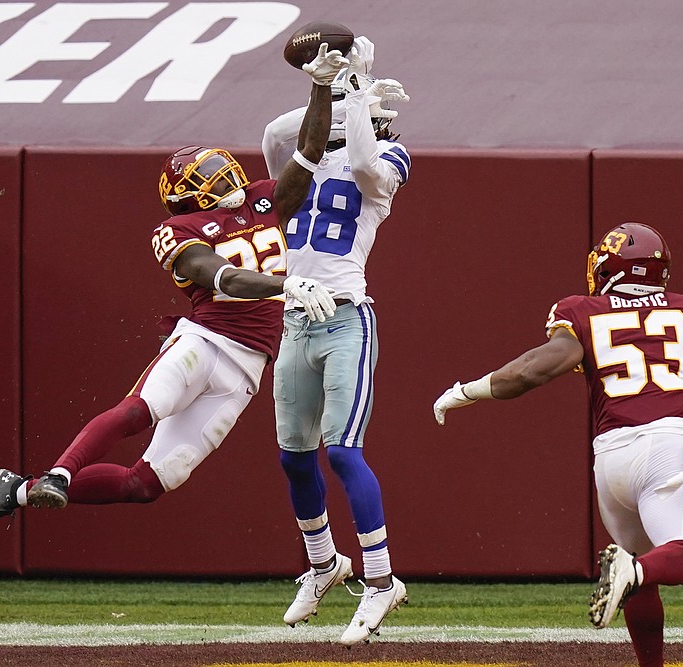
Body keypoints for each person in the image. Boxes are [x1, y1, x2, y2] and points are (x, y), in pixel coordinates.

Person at [0, 43, 351, 544]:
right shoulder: (179, 230)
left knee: (145, 484)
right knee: (140, 410)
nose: (224, 175)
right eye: (207, 176)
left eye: (220, 166)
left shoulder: (263, 200)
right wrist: (288, 284)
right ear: (187, 194)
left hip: (248, 367)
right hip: (205, 343)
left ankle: (18, 491)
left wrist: (320, 87)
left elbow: (310, 152)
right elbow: (225, 280)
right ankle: (60, 472)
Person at [432, 222, 683, 667]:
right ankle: (631, 570)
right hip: (666, 448)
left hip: (610, 459)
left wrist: (467, 391)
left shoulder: (583, 312)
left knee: (640, 571)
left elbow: (529, 372)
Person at [261, 37, 413, 646]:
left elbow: (367, 166)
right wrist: (328, 81)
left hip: (347, 317)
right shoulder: (297, 159)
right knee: (293, 458)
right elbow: (278, 132)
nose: (370, 120)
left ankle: (381, 581)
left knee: (344, 451)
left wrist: (356, 104)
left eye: (371, 115)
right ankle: (325, 563)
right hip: (296, 319)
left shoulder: (389, 163)